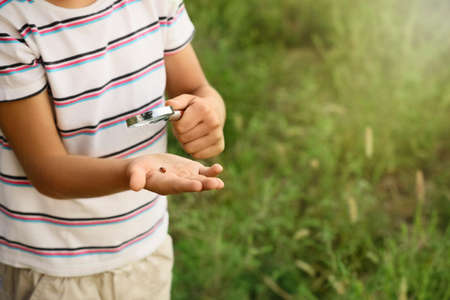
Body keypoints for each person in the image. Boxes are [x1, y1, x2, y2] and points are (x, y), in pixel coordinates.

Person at [0, 0, 225, 298]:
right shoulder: (11, 21)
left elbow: (197, 88)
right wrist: (132, 172)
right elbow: (46, 170)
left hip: (146, 249)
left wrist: (209, 113)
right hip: (53, 269)